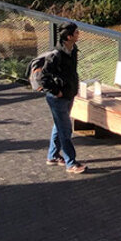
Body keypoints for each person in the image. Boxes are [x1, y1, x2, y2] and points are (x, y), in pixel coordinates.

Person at [42, 22, 86, 174]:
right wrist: (56, 91)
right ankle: (71, 163)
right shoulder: (56, 55)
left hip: (68, 95)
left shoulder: (73, 50)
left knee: (59, 126)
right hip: (57, 98)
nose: (79, 34)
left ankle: (53, 156)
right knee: (65, 130)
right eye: (76, 33)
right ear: (69, 36)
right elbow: (44, 77)